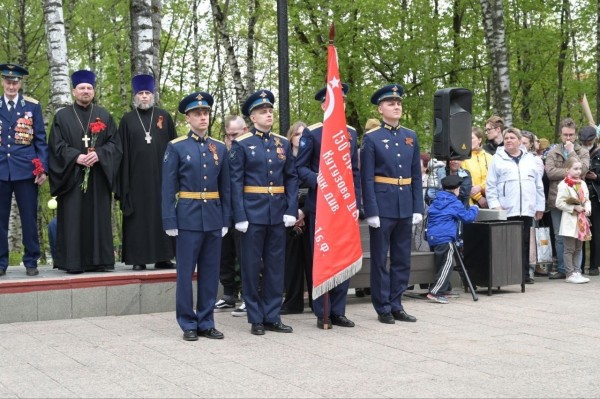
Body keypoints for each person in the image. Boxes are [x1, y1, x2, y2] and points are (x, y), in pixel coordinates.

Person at [162, 91, 231, 341]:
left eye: (205, 113)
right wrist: (170, 219)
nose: (202, 117)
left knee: (211, 273)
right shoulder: (177, 147)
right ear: (187, 118)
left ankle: (206, 320)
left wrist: (225, 219)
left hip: (213, 217)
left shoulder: (219, 148)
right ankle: (187, 322)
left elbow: (226, 188)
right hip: (188, 217)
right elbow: (168, 187)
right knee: (185, 274)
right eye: (197, 114)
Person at [229, 89, 298, 336]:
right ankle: (255, 317)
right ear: (252, 117)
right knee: (250, 266)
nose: (268, 115)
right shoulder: (242, 144)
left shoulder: (281, 143)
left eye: (270, 111)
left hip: (277, 213)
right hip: (252, 213)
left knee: (276, 266)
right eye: (262, 112)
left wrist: (291, 209)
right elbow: (234, 183)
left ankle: (272, 315)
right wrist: (239, 215)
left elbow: (291, 177)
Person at [296, 83, 360, 329]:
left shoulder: (351, 133)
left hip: (344, 206)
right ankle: (322, 310)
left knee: (343, 256)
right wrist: (319, 180)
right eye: (334, 101)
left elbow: (354, 171)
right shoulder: (313, 133)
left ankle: (339, 310)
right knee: (322, 257)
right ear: (324, 105)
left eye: (342, 101)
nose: (338, 105)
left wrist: (357, 204)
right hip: (322, 206)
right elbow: (299, 168)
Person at [360, 83, 423, 324]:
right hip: (383, 206)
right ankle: (382, 306)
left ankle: (397, 303)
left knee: (402, 258)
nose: (396, 106)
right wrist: (371, 210)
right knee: (380, 259)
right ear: (380, 109)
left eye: (398, 103)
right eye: (390, 103)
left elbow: (416, 175)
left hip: (405, 204)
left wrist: (418, 206)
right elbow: (366, 177)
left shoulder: (411, 136)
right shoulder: (372, 138)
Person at [48, 70, 122, 273]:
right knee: (73, 219)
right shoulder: (61, 117)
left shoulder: (104, 115)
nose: (86, 91)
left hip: (98, 177)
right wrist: (76, 157)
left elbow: (116, 145)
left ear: (94, 91)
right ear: (74, 91)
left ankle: (100, 261)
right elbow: (56, 146)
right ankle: (73, 263)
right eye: (82, 88)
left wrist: (100, 154)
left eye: (89, 88)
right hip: (72, 178)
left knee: (98, 219)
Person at [117, 74, 176, 271]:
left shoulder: (164, 116)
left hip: (162, 178)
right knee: (138, 218)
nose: (144, 97)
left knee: (162, 214)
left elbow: (175, 147)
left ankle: (164, 257)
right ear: (135, 96)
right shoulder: (127, 120)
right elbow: (121, 152)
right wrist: (123, 184)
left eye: (147, 93)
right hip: (136, 180)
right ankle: (138, 258)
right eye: (140, 93)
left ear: (153, 95)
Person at [0, 63, 48, 277]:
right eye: (8, 81)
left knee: (29, 217)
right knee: (0, 219)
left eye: (15, 82)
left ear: (20, 83)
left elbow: (40, 140)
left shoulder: (32, 106)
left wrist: (42, 168)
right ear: (2, 82)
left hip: (26, 169)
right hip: (1, 169)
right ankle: (1, 263)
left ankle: (31, 260)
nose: (11, 85)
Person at [486, 127, 545, 285]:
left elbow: (538, 184)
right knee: (508, 243)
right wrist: (495, 205)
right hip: (507, 209)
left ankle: (524, 274)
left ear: (520, 141)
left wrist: (540, 206)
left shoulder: (530, 159)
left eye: (512, 138)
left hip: (527, 208)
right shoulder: (497, 159)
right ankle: (508, 273)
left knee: (525, 241)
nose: (509, 140)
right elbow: (490, 185)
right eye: (506, 138)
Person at [545, 119, 590, 279]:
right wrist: (571, 172)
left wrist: (571, 153)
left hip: (578, 201)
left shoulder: (582, 151)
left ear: (575, 134)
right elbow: (549, 172)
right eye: (565, 135)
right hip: (557, 199)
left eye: (571, 135)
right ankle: (564, 270)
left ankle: (576, 270)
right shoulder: (553, 151)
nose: (568, 138)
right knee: (559, 235)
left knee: (577, 234)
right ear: (561, 134)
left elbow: (584, 169)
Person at [426, 175, 479, 303]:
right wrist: (474, 208)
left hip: (432, 237)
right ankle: (436, 292)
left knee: (441, 263)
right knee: (448, 264)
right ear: (456, 189)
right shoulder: (454, 203)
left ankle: (446, 289)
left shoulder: (436, 200)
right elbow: (467, 218)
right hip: (445, 237)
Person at [280, 121, 313, 315]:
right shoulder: (283, 157)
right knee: (291, 261)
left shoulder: (313, 158)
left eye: (305, 134)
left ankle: (317, 302)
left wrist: (304, 211)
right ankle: (292, 302)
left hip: (310, 212)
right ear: (291, 137)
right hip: (288, 214)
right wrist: (292, 211)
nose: (301, 138)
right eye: (297, 134)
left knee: (311, 260)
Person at [214, 115, 245, 313]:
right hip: (224, 212)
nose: (232, 139)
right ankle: (228, 294)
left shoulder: (251, 151)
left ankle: (248, 295)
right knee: (224, 255)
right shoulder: (220, 154)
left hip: (244, 211)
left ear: (245, 131)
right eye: (229, 135)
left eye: (236, 134)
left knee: (245, 256)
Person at [555, 158, 591, 284]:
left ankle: (577, 271)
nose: (578, 171)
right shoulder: (563, 184)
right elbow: (559, 203)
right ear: (567, 170)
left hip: (581, 221)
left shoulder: (582, 183)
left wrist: (587, 208)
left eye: (580, 169)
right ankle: (569, 273)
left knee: (578, 248)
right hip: (570, 220)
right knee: (569, 248)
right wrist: (573, 207)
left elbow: (586, 199)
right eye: (575, 169)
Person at [580, 126, 599, 276]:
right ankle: (578, 266)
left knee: (595, 232)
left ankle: (594, 265)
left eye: (589, 140)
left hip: (595, 197)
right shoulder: (577, 152)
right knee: (579, 232)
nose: (587, 143)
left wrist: (596, 177)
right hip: (578, 197)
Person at [461, 127, 492, 207]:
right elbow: (464, 180)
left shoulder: (490, 157)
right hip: (470, 202)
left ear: (479, 140)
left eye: (471, 138)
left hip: (491, 199)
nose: (468, 141)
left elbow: (492, 178)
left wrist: (480, 187)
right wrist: (479, 198)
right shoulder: (462, 158)